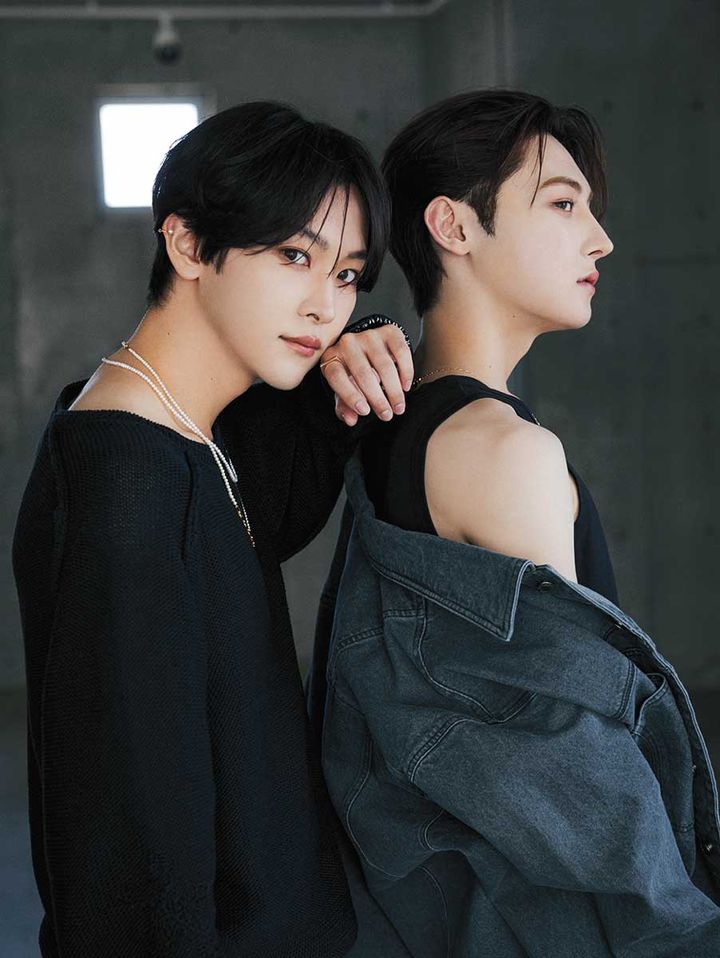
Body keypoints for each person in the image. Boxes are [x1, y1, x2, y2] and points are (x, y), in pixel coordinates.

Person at [309, 89, 720, 956]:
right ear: (454, 227)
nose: (600, 239)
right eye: (564, 205)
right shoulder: (505, 453)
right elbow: (576, 777)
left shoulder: (390, 429)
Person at [12, 100, 415, 957]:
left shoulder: (185, 433)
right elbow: (130, 843)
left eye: (348, 274)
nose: (325, 305)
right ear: (189, 245)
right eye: (294, 256)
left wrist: (359, 350)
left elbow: (276, 502)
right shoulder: (125, 485)